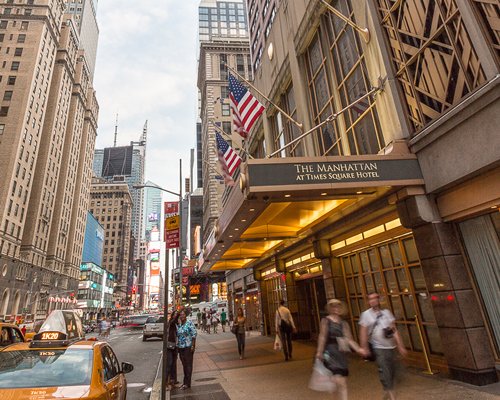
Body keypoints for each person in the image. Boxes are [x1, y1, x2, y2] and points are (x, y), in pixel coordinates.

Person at [359, 292, 407, 400]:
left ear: (379, 299)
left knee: (393, 370)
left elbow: (394, 330)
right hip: (378, 347)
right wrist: (364, 347)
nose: (373, 301)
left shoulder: (386, 313)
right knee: (385, 370)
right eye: (370, 299)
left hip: (391, 346)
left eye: (375, 298)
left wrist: (400, 346)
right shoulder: (366, 314)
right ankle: (392, 395)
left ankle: (387, 390)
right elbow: (363, 332)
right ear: (368, 301)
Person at [315, 299, 363, 400]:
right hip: (330, 353)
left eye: (338, 306)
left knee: (342, 382)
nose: (336, 308)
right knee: (338, 381)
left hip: (341, 354)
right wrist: (319, 351)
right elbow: (322, 336)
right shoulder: (326, 321)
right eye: (333, 306)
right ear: (330, 308)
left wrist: (359, 349)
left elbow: (349, 340)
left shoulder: (344, 323)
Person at [176, 310, 197, 390]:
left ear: (186, 315)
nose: (182, 316)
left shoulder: (189, 323)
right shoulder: (180, 325)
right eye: (180, 315)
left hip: (188, 347)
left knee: (188, 365)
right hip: (181, 347)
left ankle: (187, 383)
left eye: (183, 315)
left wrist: (193, 346)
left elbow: (194, 334)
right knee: (184, 365)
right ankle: (185, 382)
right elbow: (178, 335)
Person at [165, 311, 179, 390]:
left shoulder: (177, 324)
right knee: (169, 364)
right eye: (175, 315)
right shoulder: (171, 322)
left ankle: (173, 382)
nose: (176, 316)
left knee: (173, 364)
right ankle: (166, 383)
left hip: (175, 346)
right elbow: (174, 320)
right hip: (169, 346)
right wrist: (179, 312)